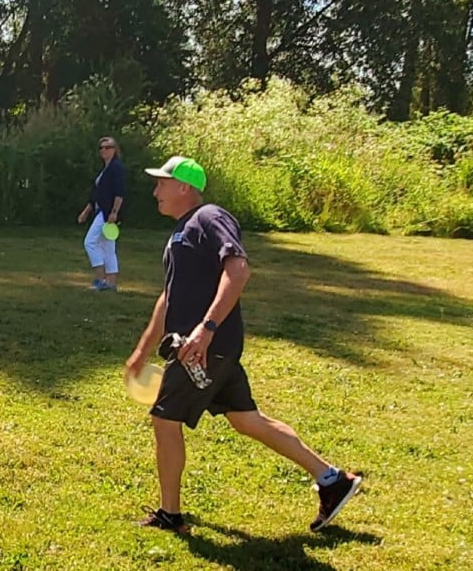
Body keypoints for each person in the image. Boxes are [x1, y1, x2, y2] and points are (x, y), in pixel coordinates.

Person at [125, 155, 362, 534]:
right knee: (246, 419)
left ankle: (170, 514)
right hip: (205, 346)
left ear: (184, 187)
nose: (156, 191)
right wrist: (141, 349)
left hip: (202, 347)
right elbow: (168, 297)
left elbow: (238, 270)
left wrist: (206, 329)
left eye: (162, 183)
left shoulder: (209, 217)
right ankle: (333, 480)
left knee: (164, 419)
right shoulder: (181, 232)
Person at [77, 136, 126, 291]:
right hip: (100, 210)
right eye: (101, 148)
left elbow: (120, 192)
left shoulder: (116, 168)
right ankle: (110, 283)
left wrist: (114, 212)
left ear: (115, 149)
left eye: (108, 147)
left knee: (90, 242)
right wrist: (86, 211)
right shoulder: (105, 169)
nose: (104, 150)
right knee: (107, 247)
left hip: (107, 213)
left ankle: (100, 278)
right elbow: (96, 194)